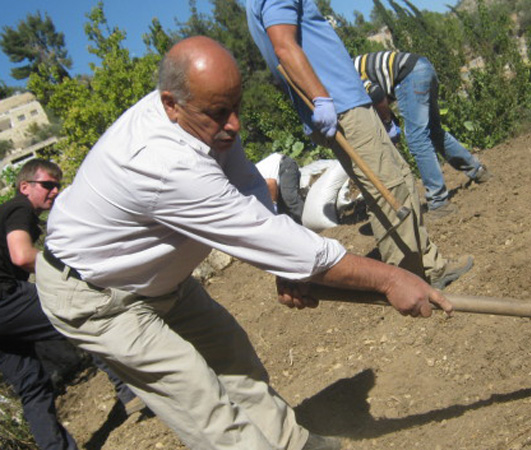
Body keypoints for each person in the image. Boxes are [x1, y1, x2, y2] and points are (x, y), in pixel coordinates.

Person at [34, 36, 456, 450]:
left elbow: (249, 189)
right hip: (97, 296)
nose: (233, 124)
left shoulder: (204, 119)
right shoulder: (163, 164)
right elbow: (270, 238)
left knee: (234, 358)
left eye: (236, 107)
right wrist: (388, 279)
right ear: (170, 104)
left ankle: (294, 444)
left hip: (157, 278)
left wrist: (282, 267)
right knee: (202, 399)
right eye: (219, 113)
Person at [246, 0, 473, 290]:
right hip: (340, 107)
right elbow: (284, 47)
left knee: (398, 180)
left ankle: (429, 266)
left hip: (345, 104)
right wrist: (321, 98)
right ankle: (410, 281)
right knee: (389, 190)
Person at [0, 159, 141, 450]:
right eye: (48, 185)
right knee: (79, 313)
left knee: (32, 385)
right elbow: (22, 256)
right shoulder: (18, 208)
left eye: (58, 185)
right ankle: (130, 392)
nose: (54, 191)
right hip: (4, 299)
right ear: (24, 187)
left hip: (5, 310)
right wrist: (72, 270)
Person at [353, 51, 491, 215]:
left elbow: (375, 93)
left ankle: (439, 203)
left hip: (409, 76)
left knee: (417, 139)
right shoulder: (348, 65)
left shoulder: (342, 75)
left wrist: (388, 122)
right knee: (434, 132)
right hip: (422, 67)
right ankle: (478, 171)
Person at [255, 152, 306, 223]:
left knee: (290, 198)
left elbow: (271, 183)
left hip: (283, 164)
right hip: (278, 177)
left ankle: (309, 224)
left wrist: (274, 206)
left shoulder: (248, 181)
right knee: (283, 211)